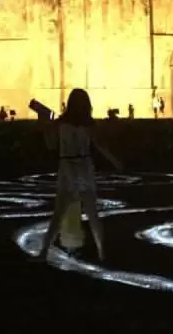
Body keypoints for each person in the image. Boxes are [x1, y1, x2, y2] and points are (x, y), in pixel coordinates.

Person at [35, 88, 122, 262]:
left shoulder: (60, 123)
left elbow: (51, 146)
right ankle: (102, 253)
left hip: (68, 167)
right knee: (92, 214)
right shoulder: (89, 124)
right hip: (84, 167)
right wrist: (115, 161)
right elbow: (100, 146)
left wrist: (44, 125)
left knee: (59, 213)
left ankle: (44, 252)